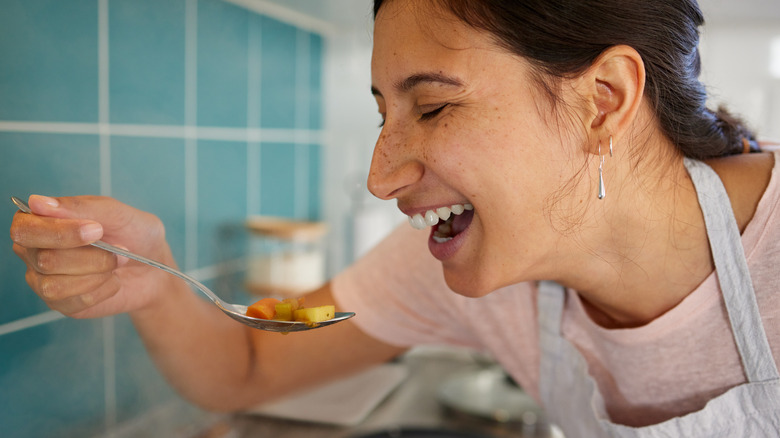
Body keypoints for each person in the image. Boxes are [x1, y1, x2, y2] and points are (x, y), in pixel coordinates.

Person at [10, 0, 780, 436]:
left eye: (435, 106)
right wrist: (155, 279)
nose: (382, 178)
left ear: (603, 99)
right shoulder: (455, 264)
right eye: (384, 113)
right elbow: (248, 367)